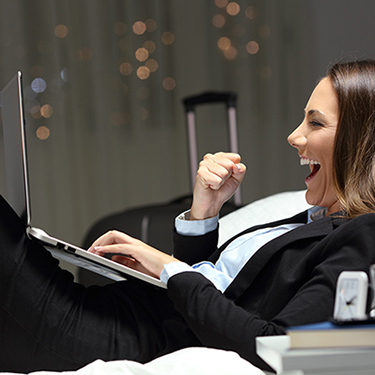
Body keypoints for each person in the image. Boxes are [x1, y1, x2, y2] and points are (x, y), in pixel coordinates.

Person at [2, 59, 375, 373]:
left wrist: (171, 269)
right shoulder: (313, 217)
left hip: (123, 338)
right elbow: (221, 288)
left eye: (315, 122)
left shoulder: (363, 234)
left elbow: (276, 346)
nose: (294, 136)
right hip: (114, 312)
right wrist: (204, 211)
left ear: (359, 141)